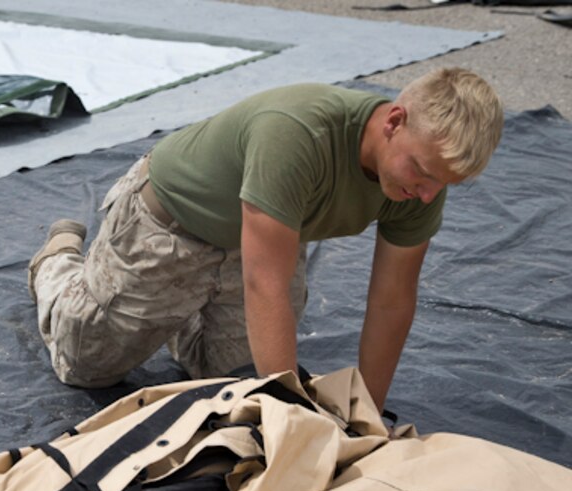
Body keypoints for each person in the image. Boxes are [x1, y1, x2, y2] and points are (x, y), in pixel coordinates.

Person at [28, 67, 503, 412]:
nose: (426, 195)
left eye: (443, 184)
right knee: (86, 366)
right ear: (394, 122)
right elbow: (266, 284)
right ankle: (61, 259)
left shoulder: (420, 184)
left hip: (262, 242)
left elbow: (392, 300)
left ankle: (175, 312)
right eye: (421, 172)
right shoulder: (299, 133)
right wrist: (289, 418)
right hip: (170, 223)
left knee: (236, 382)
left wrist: (368, 413)